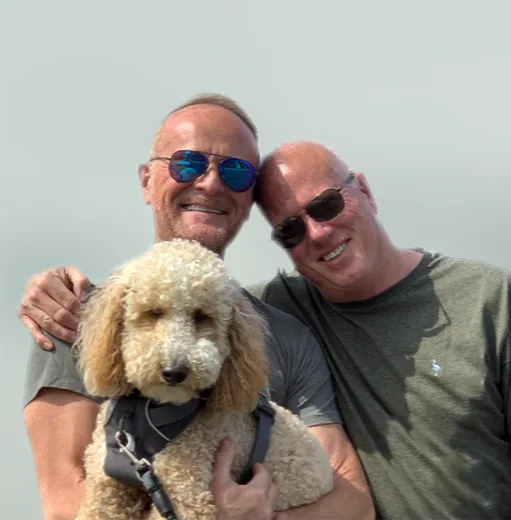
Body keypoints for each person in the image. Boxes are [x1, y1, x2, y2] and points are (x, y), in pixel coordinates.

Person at [21, 137, 511, 519]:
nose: (317, 233)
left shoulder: (489, 299)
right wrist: (55, 285)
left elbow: (351, 495)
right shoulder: (269, 309)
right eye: (290, 230)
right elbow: (63, 495)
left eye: (325, 205)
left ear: (363, 190)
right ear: (146, 179)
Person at [19, 96, 374, 520]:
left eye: (236, 172)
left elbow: (353, 500)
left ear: (249, 202)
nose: (210, 183)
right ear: (147, 181)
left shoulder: (288, 335)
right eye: (187, 164)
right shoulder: (70, 313)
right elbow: (64, 506)